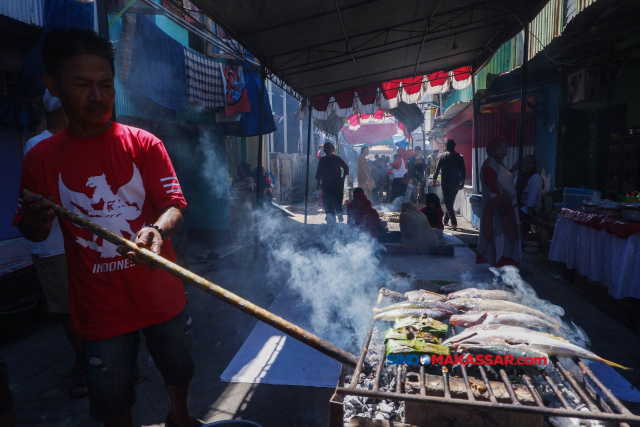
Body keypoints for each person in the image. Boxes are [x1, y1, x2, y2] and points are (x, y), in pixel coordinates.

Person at [13, 28, 200, 427]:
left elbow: (173, 204)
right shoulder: (41, 157)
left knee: (179, 368)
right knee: (112, 400)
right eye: (82, 85)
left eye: (104, 84)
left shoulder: (144, 143)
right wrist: (35, 220)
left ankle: (180, 418)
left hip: (161, 293)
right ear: (54, 87)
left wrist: (157, 231)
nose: (97, 96)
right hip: (100, 308)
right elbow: (32, 232)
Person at [24, 90, 89, 399]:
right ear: (63, 111)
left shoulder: (73, 143)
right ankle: (88, 366)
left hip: (77, 243)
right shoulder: (37, 147)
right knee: (67, 310)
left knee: (84, 307)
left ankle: (93, 362)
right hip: (53, 246)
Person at [476, 138, 521, 267]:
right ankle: (501, 260)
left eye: (505, 147)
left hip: (504, 205)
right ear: (492, 149)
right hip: (498, 207)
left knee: (503, 234)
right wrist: (500, 204)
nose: (504, 150)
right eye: (500, 147)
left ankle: (504, 259)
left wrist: (512, 169)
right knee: (500, 234)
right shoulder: (490, 164)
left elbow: (502, 179)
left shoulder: (498, 163)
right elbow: (492, 187)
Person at [432, 139, 466, 230]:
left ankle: (454, 222)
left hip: (446, 181)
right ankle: (446, 220)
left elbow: (437, 169)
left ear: (446, 146)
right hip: (456, 182)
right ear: (454, 146)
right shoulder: (459, 156)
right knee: (450, 201)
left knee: (448, 202)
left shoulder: (442, 156)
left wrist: (434, 180)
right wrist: (462, 183)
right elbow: (463, 171)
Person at [315, 142, 349, 223]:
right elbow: (319, 172)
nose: (327, 150)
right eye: (326, 148)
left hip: (337, 185)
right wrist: (318, 184)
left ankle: (340, 215)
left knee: (337, 202)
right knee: (327, 203)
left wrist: (343, 178)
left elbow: (346, 168)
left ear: (332, 149)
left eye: (329, 148)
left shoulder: (337, 159)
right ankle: (331, 219)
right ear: (324, 150)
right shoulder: (322, 160)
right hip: (326, 186)